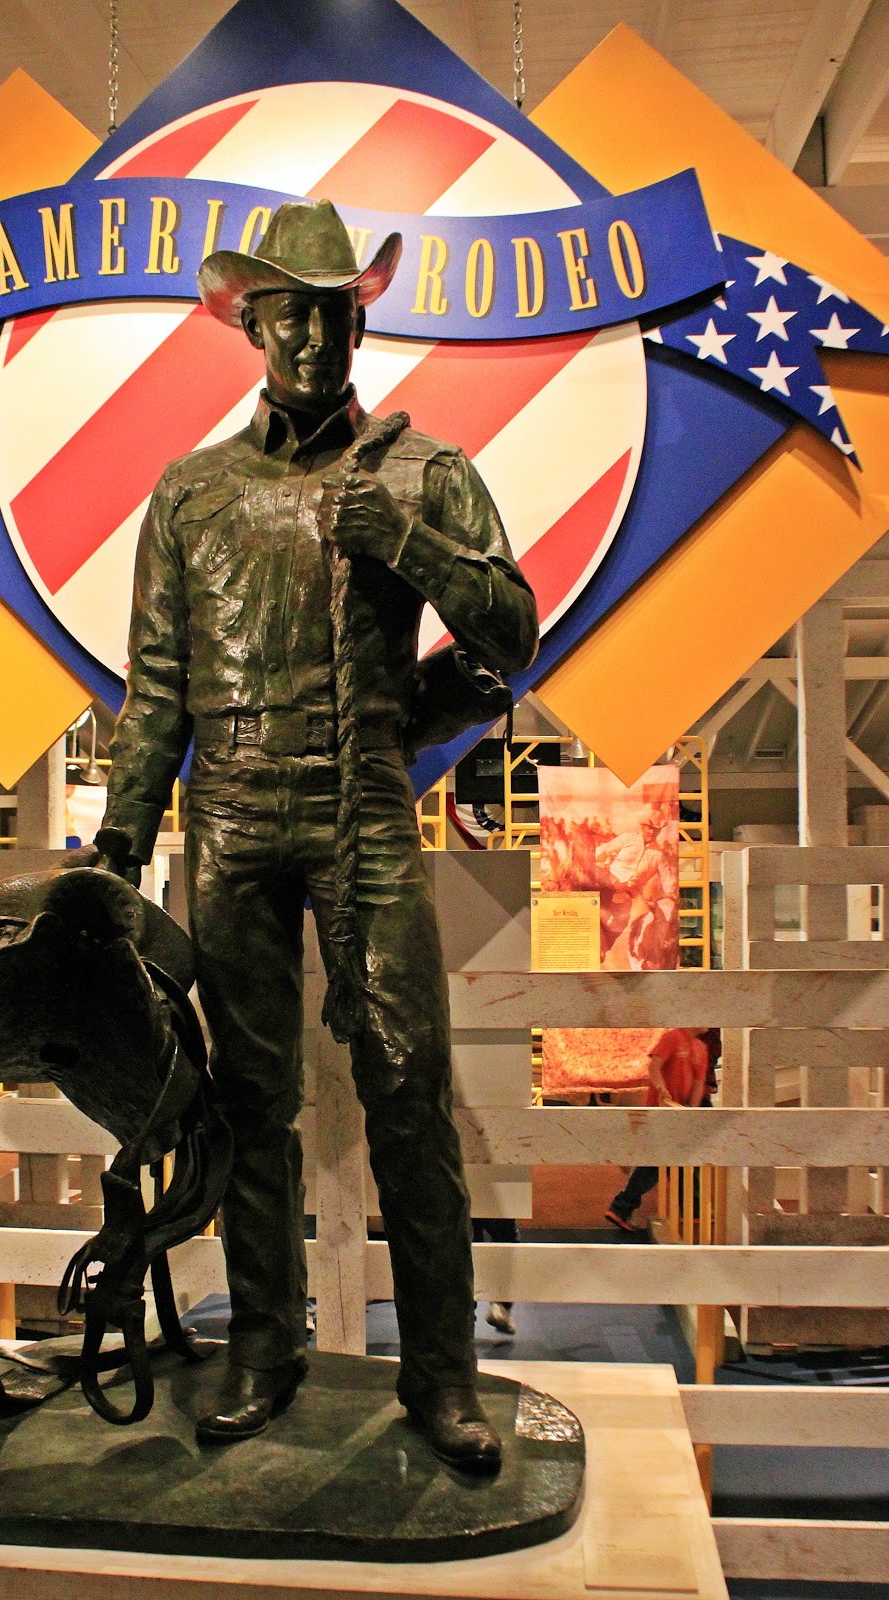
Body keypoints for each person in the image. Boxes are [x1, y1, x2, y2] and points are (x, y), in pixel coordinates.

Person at [95, 199, 538, 1473]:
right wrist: (121, 847)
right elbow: (160, 685)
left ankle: (443, 1376)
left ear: (360, 318)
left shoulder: (422, 469)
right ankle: (265, 1348)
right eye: (284, 309)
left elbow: (511, 633)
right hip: (227, 816)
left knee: (407, 1093)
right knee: (247, 1104)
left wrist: (401, 542)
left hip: (361, 813)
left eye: (331, 307)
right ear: (249, 322)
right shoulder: (191, 493)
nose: (307, 333)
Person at [604, 1026, 710, 1232]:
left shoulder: (700, 1048)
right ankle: (622, 1207)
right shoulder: (673, 1037)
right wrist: (662, 1091)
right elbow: (654, 1065)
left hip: (676, 1115)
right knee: (662, 1163)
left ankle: (622, 1207)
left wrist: (691, 1112)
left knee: (668, 1162)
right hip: (660, 1113)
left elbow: (699, 1082)